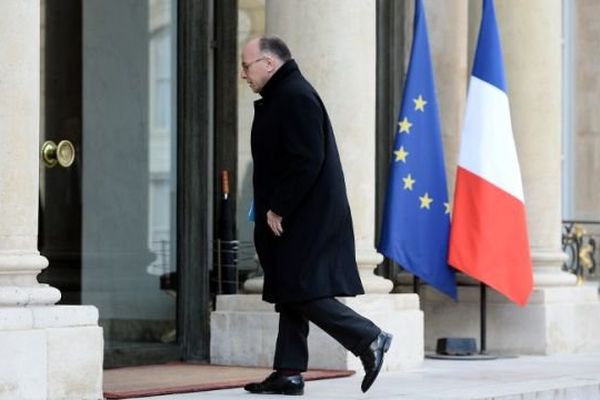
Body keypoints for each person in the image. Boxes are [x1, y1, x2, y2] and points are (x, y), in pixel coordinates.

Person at [241, 36, 392, 395]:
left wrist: (279, 205)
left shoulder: (294, 97)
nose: (243, 74)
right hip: (301, 214)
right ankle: (289, 373)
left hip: (304, 216)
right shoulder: (285, 95)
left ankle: (369, 337)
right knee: (289, 287)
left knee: (302, 290)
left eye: (246, 66)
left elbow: (308, 158)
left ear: (268, 64)